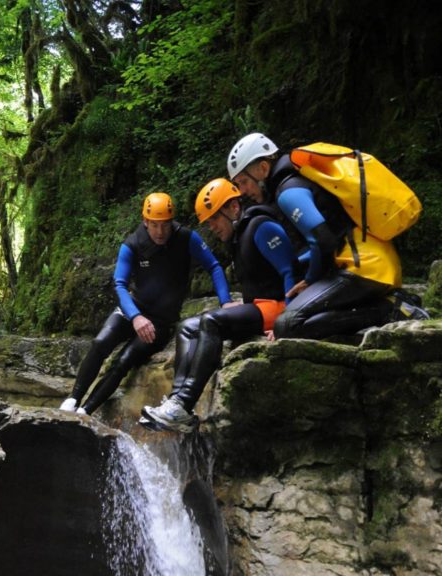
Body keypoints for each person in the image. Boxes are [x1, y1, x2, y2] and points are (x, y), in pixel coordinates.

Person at [226, 132, 428, 338]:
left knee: (286, 325)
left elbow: (323, 240)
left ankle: (390, 310)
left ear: (263, 168)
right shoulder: (299, 179)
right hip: (373, 265)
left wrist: (310, 280)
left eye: (244, 181)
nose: (242, 191)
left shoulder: (288, 192)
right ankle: (388, 304)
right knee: (294, 318)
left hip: (362, 269)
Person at [141, 178, 298, 432]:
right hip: (261, 305)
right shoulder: (239, 237)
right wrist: (239, 304)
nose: (211, 226)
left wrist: (288, 320)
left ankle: (184, 403)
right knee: (187, 326)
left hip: (278, 307)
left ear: (233, 208)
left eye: (214, 218)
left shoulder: (260, 227)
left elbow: (290, 272)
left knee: (211, 321)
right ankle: (176, 400)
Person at [59, 192, 234, 416]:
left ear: (172, 222)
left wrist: (226, 302)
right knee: (100, 342)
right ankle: (73, 399)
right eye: (154, 225)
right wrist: (136, 317)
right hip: (132, 309)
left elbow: (214, 267)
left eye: (165, 225)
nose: (160, 232)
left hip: (160, 321)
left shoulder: (185, 238)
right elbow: (120, 284)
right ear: (145, 222)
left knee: (124, 361)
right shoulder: (133, 244)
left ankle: (85, 412)